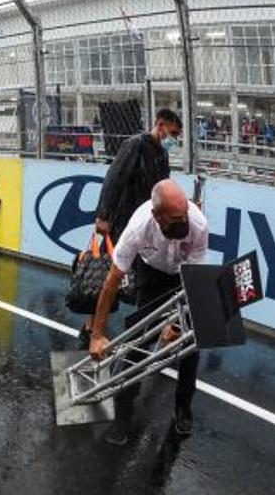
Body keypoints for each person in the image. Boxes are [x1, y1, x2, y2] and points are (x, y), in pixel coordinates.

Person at [88, 180, 208, 445]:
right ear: (157, 216)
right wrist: (97, 334)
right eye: (175, 219)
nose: (183, 222)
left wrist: (176, 326)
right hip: (150, 274)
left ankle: (183, 408)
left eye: (184, 215)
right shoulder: (139, 228)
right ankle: (123, 412)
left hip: (182, 277)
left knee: (191, 342)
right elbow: (111, 282)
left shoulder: (197, 225)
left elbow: (194, 279)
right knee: (137, 340)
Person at [95, 108, 181, 244]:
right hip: (125, 220)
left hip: (147, 221)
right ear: (160, 125)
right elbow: (113, 180)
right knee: (116, 259)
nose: (175, 139)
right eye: (173, 133)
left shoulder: (163, 154)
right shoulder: (136, 145)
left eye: (177, 136)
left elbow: (163, 187)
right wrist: (103, 216)